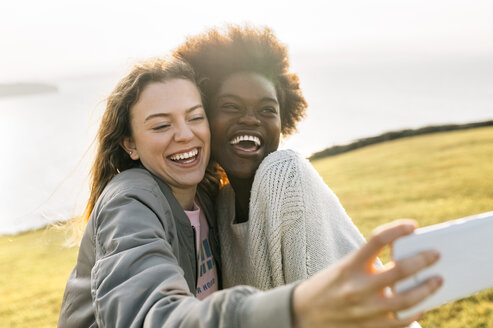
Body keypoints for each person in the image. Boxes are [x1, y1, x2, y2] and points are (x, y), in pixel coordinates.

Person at [60, 47, 441, 328]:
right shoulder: (130, 200)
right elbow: (150, 317)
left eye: (195, 117)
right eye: (161, 126)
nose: (184, 135)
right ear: (130, 143)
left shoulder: (212, 201)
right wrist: (297, 307)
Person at [174, 25, 442, 327]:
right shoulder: (220, 203)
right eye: (231, 106)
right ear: (206, 116)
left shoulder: (284, 173)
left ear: (282, 118)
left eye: (267, 109)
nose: (250, 119)